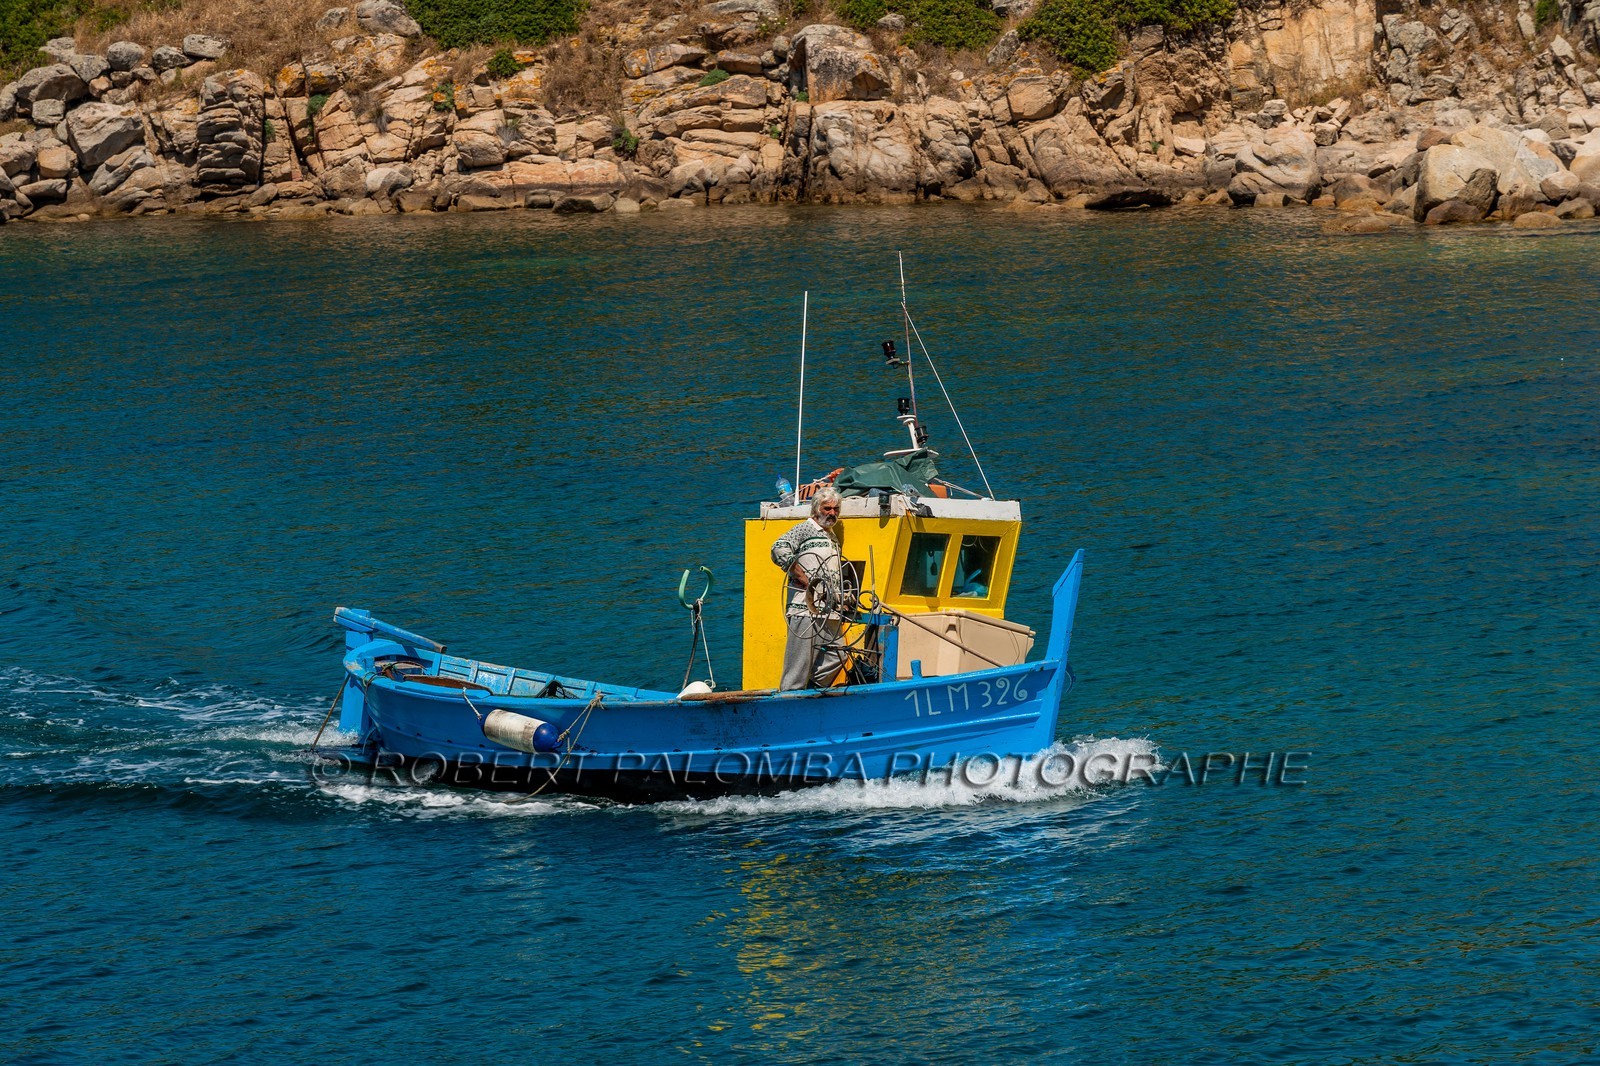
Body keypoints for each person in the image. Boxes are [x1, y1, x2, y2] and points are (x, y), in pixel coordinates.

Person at [771, 487, 849, 690]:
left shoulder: (832, 538)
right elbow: (778, 548)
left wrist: (840, 601)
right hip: (804, 609)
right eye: (827, 508)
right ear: (816, 509)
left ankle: (810, 690)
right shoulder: (804, 529)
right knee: (798, 666)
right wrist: (803, 578)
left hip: (828, 610)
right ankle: (789, 700)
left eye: (836, 509)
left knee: (839, 653)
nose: (832, 513)